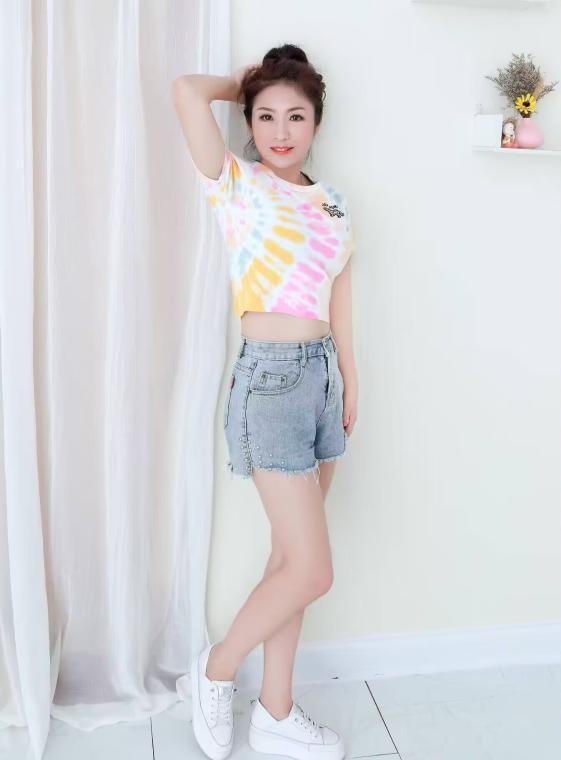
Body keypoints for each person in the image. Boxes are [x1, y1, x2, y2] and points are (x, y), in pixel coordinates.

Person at [172, 43, 358, 760]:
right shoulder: (236, 183)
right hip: (270, 384)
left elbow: (339, 293)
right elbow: (186, 91)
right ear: (249, 121)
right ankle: (216, 670)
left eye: (296, 116)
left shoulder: (333, 201)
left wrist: (350, 379)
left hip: (320, 383)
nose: (281, 130)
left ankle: (276, 710)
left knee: (290, 562)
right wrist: (243, 82)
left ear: (317, 123)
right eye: (266, 115)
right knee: (313, 569)